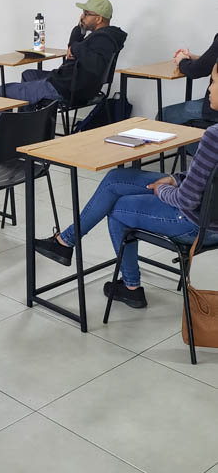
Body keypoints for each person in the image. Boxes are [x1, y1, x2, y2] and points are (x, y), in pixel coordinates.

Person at [34, 63, 218, 309]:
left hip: (195, 223)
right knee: (115, 179)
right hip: (209, 218)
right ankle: (65, 242)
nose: (209, 89)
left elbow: (187, 200)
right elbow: (207, 177)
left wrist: (163, 190)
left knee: (118, 210)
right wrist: (175, 179)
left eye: (213, 83)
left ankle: (131, 287)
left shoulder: (214, 136)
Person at [0, 0, 126, 115]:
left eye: (86, 14)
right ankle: (28, 127)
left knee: (1, 91)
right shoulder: (104, 36)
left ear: (99, 19)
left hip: (67, 89)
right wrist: (80, 29)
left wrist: (75, 48)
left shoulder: (104, 40)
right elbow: (72, 47)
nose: (82, 16)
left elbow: (95, 63)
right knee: (28, 74)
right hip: (68, 82)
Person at [161, 33, 218, 126]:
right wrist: (196, 58)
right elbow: (211, 63)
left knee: (164, 114)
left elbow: (195, 71)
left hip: (214, 111)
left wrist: (181, 60)